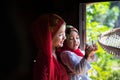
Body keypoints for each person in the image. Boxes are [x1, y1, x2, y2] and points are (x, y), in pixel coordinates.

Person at [30, 13, 68, 80]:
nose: (64, 37)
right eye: (60, 34)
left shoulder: (56, 53)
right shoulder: (44, 61)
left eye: (64, 33)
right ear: (49, 37)